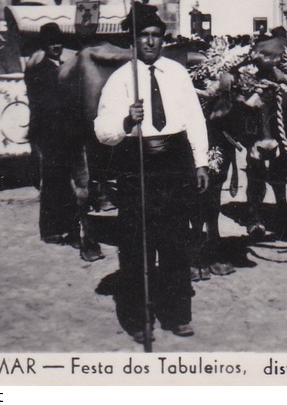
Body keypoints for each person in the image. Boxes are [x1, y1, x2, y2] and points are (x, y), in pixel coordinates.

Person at [94, 20, 209, 342]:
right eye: (143, 35)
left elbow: (195, 119)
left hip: (175, 163)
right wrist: (126, 121)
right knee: (135, 245)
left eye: (155, 35)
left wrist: (200, 162)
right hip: (137, 163)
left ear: (163, 40)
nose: (149, 41)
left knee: (175, 242)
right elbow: (102, 131)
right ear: (134, 40)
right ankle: (138, 318)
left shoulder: (177, 74)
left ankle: (177, 314)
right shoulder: (120, 79)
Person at [24, 22, 75, 244]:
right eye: (51, 43)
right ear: (44, 45)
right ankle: (51, 230)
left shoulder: (66, 67)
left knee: (67, 181)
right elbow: (41, 104)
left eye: (59, 42)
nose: (56, 46)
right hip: (49, 133)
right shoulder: (39, 71)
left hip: (65, 132)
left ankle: (68, 226)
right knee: (54, 182)